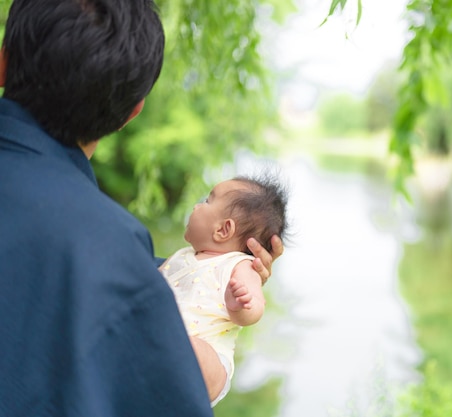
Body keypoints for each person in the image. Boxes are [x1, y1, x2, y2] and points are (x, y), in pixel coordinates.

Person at [0, 1, 282, 416]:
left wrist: (209, 269)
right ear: (131, 113)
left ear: (3, 63)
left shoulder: (107, 250)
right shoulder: (107, 244)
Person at [159, 174, 289, 407]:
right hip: (162, 343)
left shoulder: (238, 265)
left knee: (188, 349)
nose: (197, 206)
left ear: (223, 230)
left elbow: (256, 307)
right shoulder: (182, 256)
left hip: (208, 355)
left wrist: (239, 304)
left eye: (207, 202)